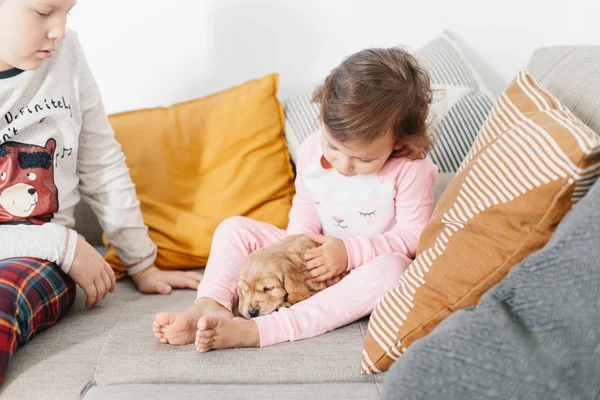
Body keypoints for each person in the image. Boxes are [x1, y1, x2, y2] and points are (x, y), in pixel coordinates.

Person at [153, 46, 438, 352]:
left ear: (398, 142)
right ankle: (212, 305)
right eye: (334, 147)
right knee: (233, 229)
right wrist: (292, 250)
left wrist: (349, 253)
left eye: (363, 160)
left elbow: (414, 237)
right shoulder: (311, 149)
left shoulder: (411, 171)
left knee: (394, 271)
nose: (343, 166)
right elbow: (306, 205)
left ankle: (261, 330)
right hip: (312, 255)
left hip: (362, 267)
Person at [0, 0, 202, 383]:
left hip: (33, 264)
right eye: (44, 13)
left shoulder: (66, 52)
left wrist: (141, 261)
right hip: (53, 247)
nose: (59, 30)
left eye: (68, 13)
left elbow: (101, 162)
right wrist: (60, 243)